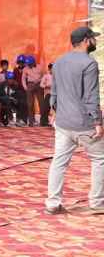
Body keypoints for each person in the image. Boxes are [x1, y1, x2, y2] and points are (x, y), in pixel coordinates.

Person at [45, 26, 104, 214]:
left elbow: (54, 93)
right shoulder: (89, 63)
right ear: (86, 41)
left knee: (59, 162)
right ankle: (97, 202)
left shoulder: (59, 62)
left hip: (63, 123)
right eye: (93, 38)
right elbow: (91, 96)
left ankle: (52, 203)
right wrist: (98, 122)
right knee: (100, 159)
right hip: (84, 123)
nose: (95, 41)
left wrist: (54, 112)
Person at [22, 56, 49, 127]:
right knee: (30, 104)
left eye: (30, 64)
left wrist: (41, 82)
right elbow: (23, 78)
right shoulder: (25, 68)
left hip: (39, 85)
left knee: (41, 103)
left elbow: (44, 76)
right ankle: (31, 122)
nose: (29, 65)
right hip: (30, 85)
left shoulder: (40, 67)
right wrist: (25, 87)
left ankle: (43, 121)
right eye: (28, 64)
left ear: (34, 62)